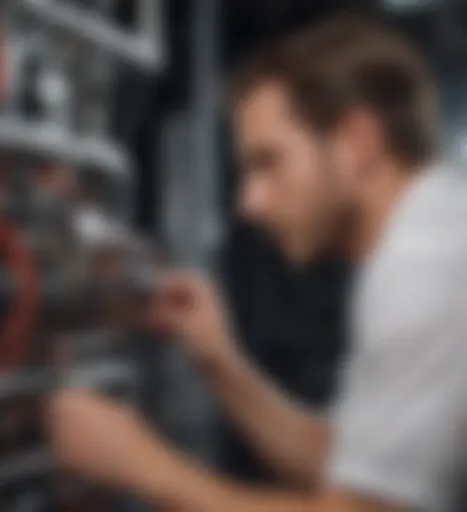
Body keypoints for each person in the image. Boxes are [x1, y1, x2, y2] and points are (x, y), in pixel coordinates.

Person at [46, 13, 467, 512]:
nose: (249, 203)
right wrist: (220, 361)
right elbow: (352, 469)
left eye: (269, 163)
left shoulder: (423, 267)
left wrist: (141, 464)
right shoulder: (431, 234)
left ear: (359, 143)